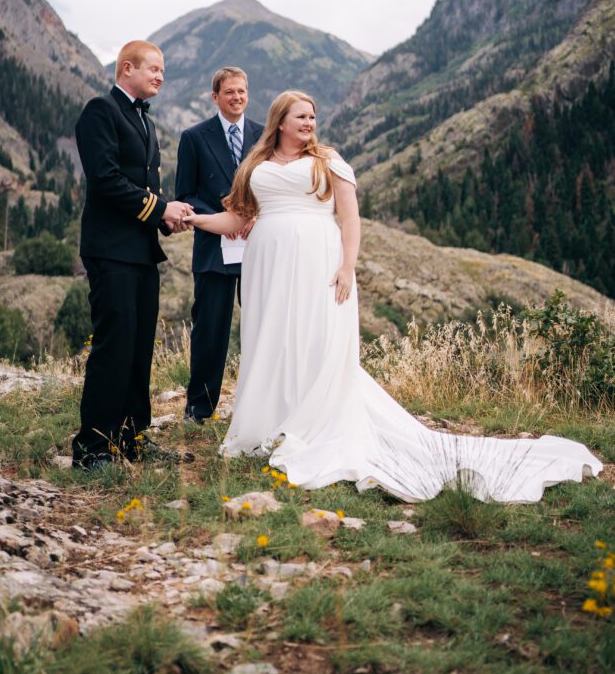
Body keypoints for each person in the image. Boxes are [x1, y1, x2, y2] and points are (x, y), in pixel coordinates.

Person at [182, 90, 603, 502]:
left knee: (315, 340)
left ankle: (312, 426)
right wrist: (194, 218)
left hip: (318, 264)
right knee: (272, 340)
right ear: (280, 121)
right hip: (267, 267)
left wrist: (347, 267)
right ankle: (271, 422)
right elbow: (239, 217)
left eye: (313, 116)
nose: (310, 123)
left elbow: (350, 219)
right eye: (301, 117)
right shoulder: (256, 163)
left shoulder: (329, 162)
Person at [72, 40, 193, 470]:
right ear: (128, 68)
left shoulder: (145, 121)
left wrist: (165, 217)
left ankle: (130, 437)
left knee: (140, 347)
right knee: (114, 346)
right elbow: (105, 180)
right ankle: (92, 448)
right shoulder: (100, 111)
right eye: (154, 69)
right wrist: (159, 207)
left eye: (163, 70)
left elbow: (141, 188)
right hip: (110, 251)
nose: (161, 76)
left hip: (141, 251)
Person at [175, 67, 263, 422]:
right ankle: (200, 407)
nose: (237, 97)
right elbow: (185, 195)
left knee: (262, 325)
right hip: (215, 246)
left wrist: (254, 218)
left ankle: (259, 405)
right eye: (229, 92)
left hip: (259, 245)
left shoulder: (264, 135)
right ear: (215, 97)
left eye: (241, 91)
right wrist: (223, 222)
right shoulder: (194, 138)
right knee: (210, 328)